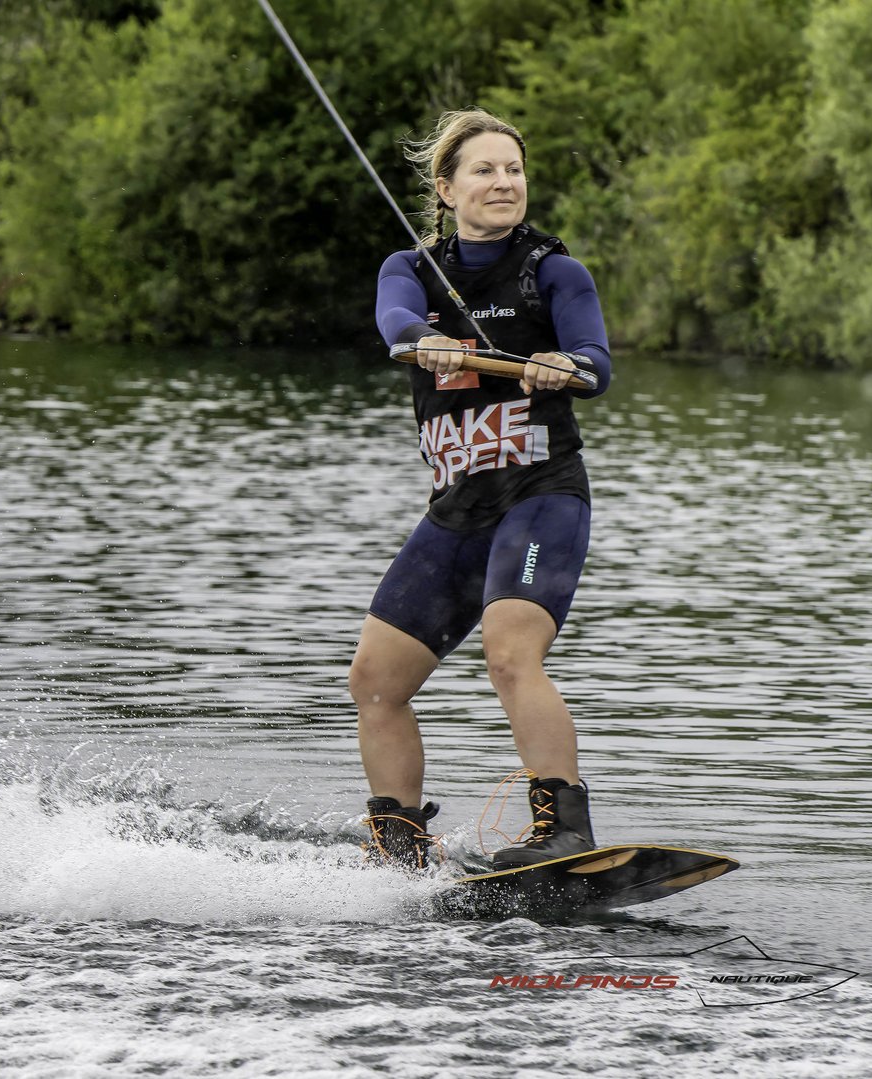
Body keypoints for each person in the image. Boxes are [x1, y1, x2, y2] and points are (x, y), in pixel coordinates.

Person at [355, 108, 613, 872]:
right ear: (446, 187)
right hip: (458, 509)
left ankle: (564, 828)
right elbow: (396, 323)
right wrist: (422, 339)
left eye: (515, 170)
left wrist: (563, 365)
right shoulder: (410, 270)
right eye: (485, 170)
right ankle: (400, 848)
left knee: (510, 653)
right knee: (375, 679)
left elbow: (596, 361)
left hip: (541, 498)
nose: (505, 182)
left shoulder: (554, 272)